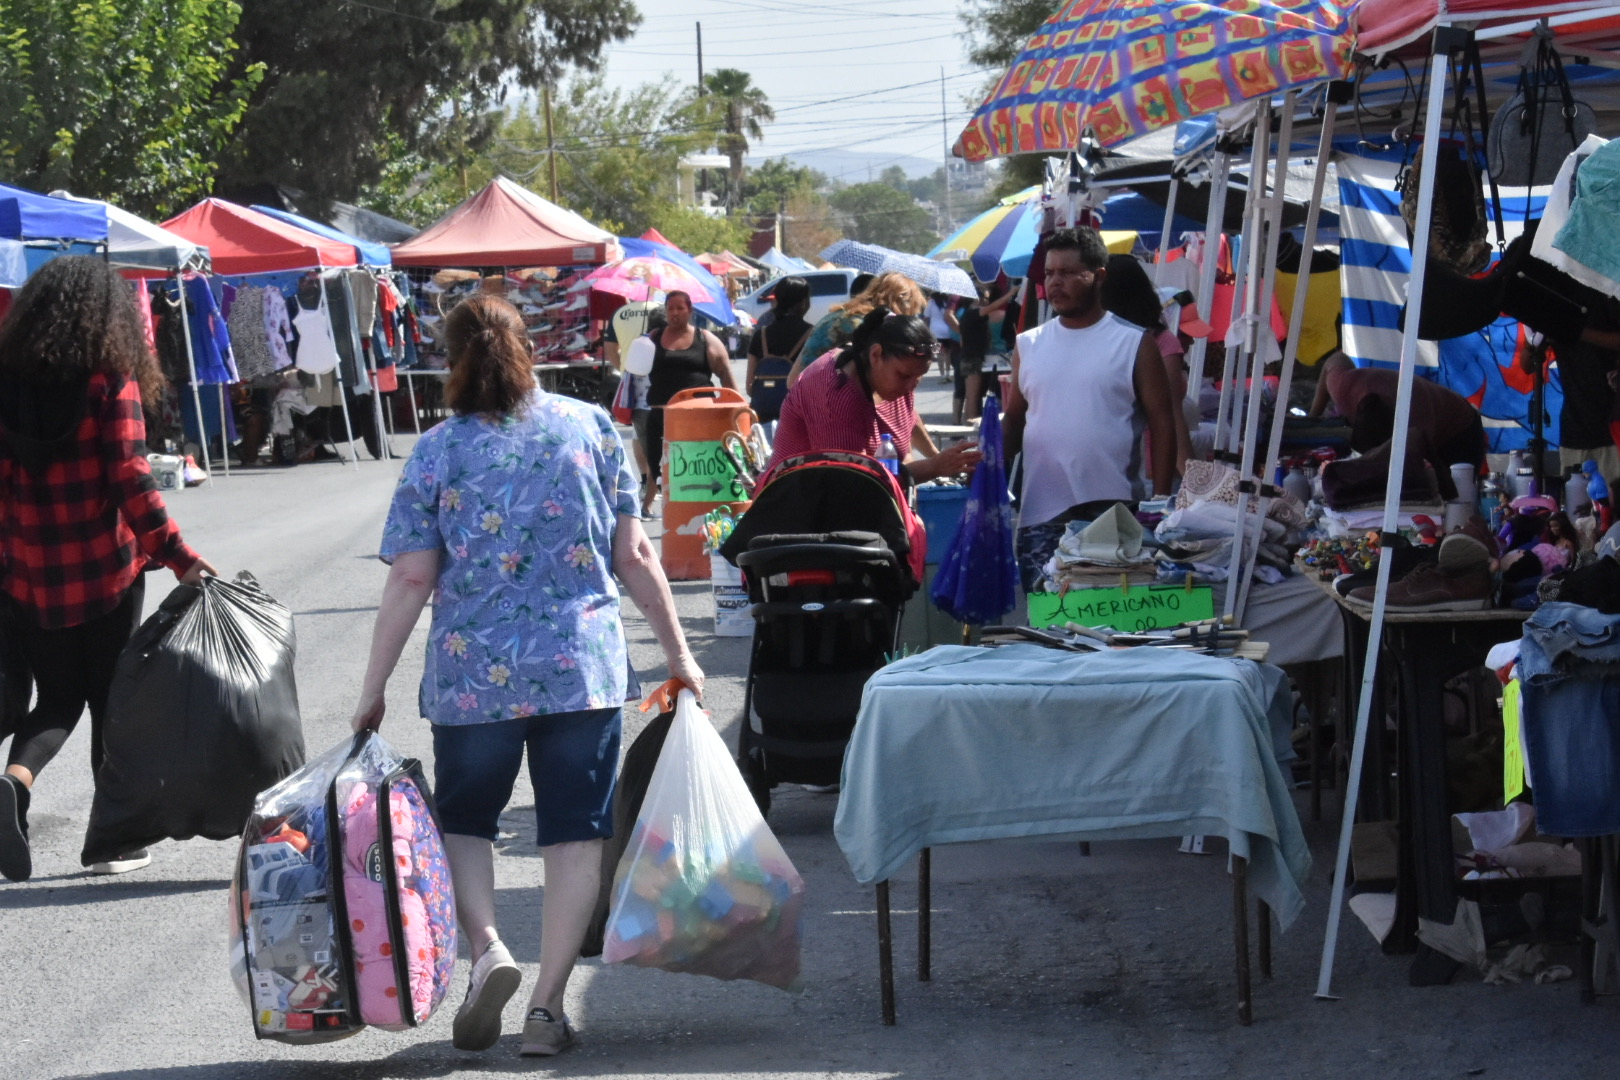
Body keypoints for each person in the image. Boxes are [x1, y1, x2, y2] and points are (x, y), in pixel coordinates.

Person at [352, 294, 702, 1059]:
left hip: (473, 678)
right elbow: (636, 556)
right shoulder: (590, 431)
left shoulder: (439, 449)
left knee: (468, 819)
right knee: (574, 831)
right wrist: (680, 655)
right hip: (580, 671)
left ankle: (487, 953)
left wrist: (373, 687)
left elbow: (412, 578)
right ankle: (546, 1009)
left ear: (452, 361)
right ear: (529, 351)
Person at [0, 256, 218, 883]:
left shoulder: (6, 382)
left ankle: (14, 784)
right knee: (111, 700)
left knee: (59, 695)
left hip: (29, 576)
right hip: (105, 571)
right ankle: (111, 844)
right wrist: (179, 557)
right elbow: (131, 477)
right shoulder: (108, 378)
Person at [1002, 228, 1178, 590]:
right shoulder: (1028, 344)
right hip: (1042, 511)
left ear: (1098, 276)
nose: (1055, 282)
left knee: (1110, 622)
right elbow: (1014, 421)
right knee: (1047, 620)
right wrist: (990, 484)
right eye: (1049, 273)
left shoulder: (1134, 342)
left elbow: (1163, 421)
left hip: (1113, 509)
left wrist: (1160, 500)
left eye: (1068, 273)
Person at [769, 309, 981, 482]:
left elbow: (907, 430)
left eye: (919, 377)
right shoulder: (834, 393)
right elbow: (855, 482)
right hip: (801, 505)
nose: (911, 387)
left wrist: (941, 460)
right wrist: (934, 467)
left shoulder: (894, 381)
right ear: (876, 354)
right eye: (904, 375)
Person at [1308, 351, 1487, 476]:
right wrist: (1312, 418)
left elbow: (1433, 475)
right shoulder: (1344, 387)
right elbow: (1336, 358)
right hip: (1421, 416)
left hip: (1460, 431)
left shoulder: (1417, 424)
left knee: (1456, 498)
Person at [1099, 254, 1196, 477]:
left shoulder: (1094, 344)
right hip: (1146, 473)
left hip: (1108, 470)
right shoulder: (1160, 341)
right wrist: (1193, 485)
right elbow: (1172, 416)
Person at [642, 291, 737, 517]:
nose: (674, 313)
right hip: (660, 416)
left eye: (680, 308)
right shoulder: (652, 338)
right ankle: (659, 509)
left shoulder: (705, 339)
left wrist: (734, 408)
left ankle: (698, 511)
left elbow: (725, 373)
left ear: (690, 310)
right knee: (658, 467)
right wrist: (639, 347)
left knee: (695, 468)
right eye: (670, 308)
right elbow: (635, 369)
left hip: (697, 419)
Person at [788, 272, 924, 388]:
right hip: (832, 403)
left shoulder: (833, 316)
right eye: (911, 310)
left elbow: (792, 379)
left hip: (802, 397)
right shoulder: (870, 326)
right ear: (900, 303)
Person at [604, 298, 663, 491]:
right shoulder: (660, 309)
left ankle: (646, 478)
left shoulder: (620, 313)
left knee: (639, 433)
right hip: (659, 376)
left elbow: (610, 348)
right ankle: (659, 478)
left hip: (631, 378)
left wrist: (622, 368)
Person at [746, 276, 812, 423]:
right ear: (803, 303)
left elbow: (750, 387)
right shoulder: (813, 335)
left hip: (762, 415)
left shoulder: (760, 334)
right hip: (798, 417)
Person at [954, 284, 1011, 423]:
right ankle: (971, 426)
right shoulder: (974, 312)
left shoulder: (965, 314)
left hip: (969, 356)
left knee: (972, 395)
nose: (987, 301)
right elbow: (993, 307)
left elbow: (962, 338)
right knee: (973, 397)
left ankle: (970, 424)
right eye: (985, 298)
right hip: (972, 358)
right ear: (977, 299)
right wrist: (1011, 293)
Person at [925, 292, 959, 381]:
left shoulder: (931, 303)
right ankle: (948, 373)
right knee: (948, 353)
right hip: (947, 331)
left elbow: (926, 317)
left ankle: (942, 375)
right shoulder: (948, 302)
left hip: (934, 332)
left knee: (938, 353)